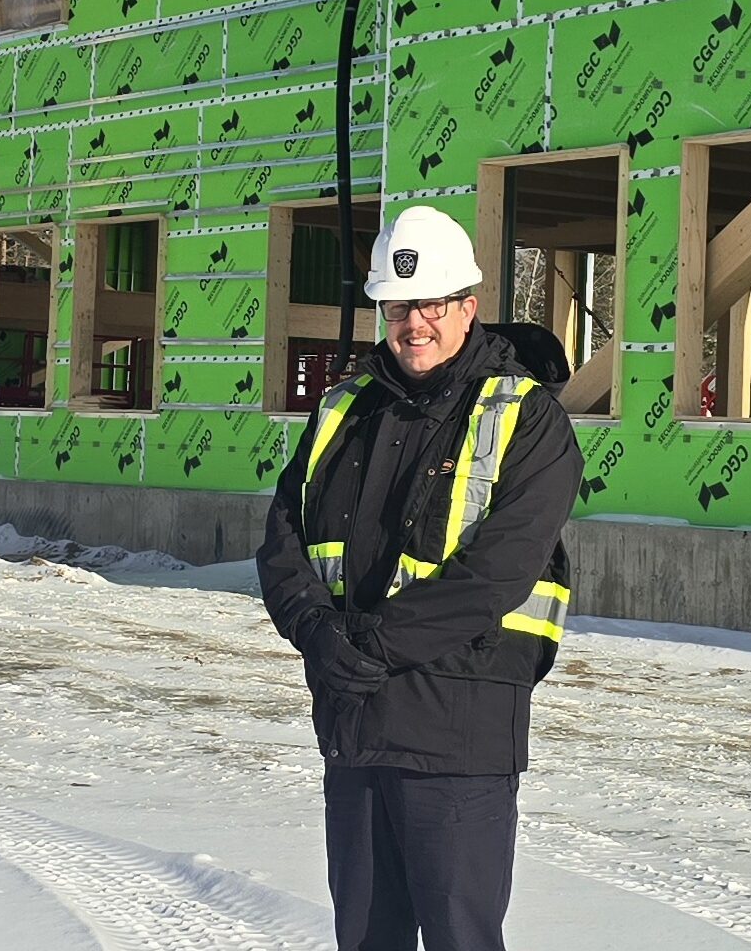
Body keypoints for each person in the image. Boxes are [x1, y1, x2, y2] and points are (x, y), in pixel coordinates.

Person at [258, 205, 582, 951]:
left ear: (468, 306)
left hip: (456, 735)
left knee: (460, 939)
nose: (415, 323)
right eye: (400, 306)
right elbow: (283, 536)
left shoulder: (525, 417)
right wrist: (315, 631)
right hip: (354, 726)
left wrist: (371, 647)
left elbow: (498, 570)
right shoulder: (344, 408)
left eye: (432, 304)